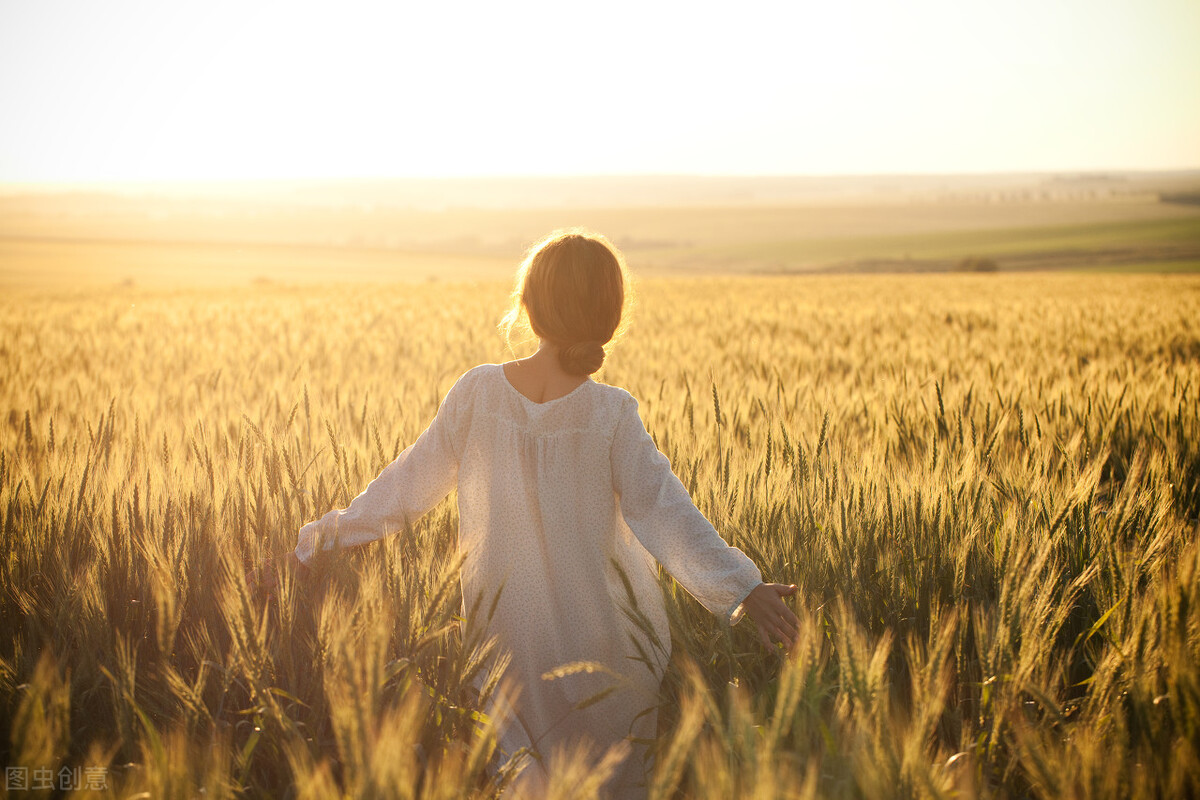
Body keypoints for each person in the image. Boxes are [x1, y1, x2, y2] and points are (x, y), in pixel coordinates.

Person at [264, 229, 799, 797]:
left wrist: (320, 540)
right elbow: (666, 513)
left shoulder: (478, 395)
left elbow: (403, 489)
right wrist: (742, 588)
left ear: (531, 306)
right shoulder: (611, 414)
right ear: (609, 318)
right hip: (607, 651)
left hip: (505, 649)